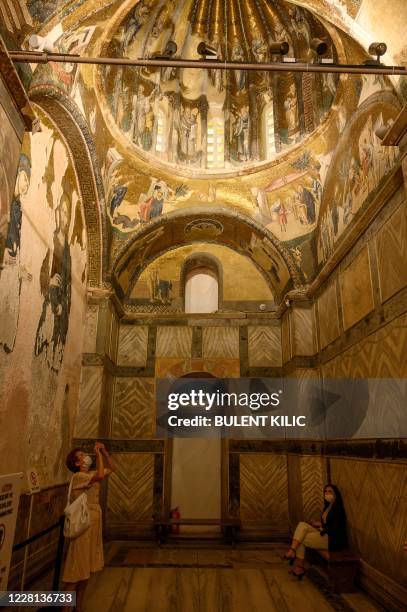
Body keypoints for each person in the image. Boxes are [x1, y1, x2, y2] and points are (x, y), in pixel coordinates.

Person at [62, 442, 114, 612]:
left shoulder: (89, 474)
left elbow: (111, 469)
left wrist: (105, 453)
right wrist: (97, 454)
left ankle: (79, 608)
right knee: (76, 572)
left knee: (85, 573)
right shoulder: (78, 477)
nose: (86, 457)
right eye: (82, 455)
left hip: (93, 525)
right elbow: (100, 475)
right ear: (77, 463)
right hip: (83, 527)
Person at [283, 484, 347, 579]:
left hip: (332, 539)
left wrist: (321, 528)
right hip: (324, 533)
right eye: (325, 491)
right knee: (302, 525)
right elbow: (327, 522)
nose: (327, 493)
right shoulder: (328, 507)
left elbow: (335, 528)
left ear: (336, 494)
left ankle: (298, 563)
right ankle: (293, 551)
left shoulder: (338, 509)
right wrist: (319, 524)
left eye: (330, 492)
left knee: (302, 538)